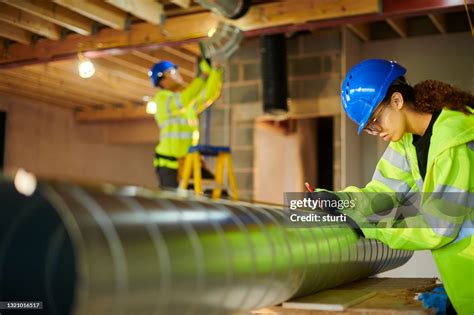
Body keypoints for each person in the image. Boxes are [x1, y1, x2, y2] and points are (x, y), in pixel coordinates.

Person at [309, 59, 473, 314]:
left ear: (397, 100)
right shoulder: (407, 142)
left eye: (375, 120)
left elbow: (438, 225)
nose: (376, 131)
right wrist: (340, 201)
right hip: (462, 284)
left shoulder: (453, 144)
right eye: (370, 128)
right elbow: (384, 194)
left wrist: (367, 227)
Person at [149, 59, 223, 188]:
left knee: (215, 191)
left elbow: (208, 95)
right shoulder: (162, 99)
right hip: (170, 165)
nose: (177, 75)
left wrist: (215, 72)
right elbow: (184, 99)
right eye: (172, 72)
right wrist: (204, 75)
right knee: (173, 203)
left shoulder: (186, 104)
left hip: (189, 160)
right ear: (162, 79)